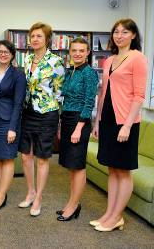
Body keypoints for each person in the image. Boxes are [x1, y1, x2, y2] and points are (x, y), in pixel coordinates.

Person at [91, 18, 147, 231]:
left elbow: (139, 96)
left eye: (125, 32)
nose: (119, 35)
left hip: (126, 121)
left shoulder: (138, 58)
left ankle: (116, 217)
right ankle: (110, 214)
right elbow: (103, 92)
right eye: (116, 32)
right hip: (107, 119)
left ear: (133, 35)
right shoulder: (109, 60)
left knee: (123, 170)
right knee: (112, 168)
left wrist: (127, 126)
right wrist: (97, 121)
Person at [18, 22, 64, 217]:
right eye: (33, 36)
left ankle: (39, 198)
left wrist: (58, 119)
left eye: (39, 36)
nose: (35, 39)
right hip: (27, 112)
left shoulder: (56, 61)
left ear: (47, 39)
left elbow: (60, 92)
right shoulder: (27, 59)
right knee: (25, 156)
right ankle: (31, 191)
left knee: (42, 158)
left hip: (47, 114)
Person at [57, 37, 98, 221]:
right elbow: (64, 97)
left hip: (78, 121)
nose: (78, 54)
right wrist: (61, 124)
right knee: (71, 167)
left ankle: (74, 205)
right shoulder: (71, 70)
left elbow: (89, 103)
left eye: (82, 50)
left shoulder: (89, 73)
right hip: (67, 118)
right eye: (74, 50)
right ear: (70, 52)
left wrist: (78, 128)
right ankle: (72, 203)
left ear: (88, 52)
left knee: (78, 166)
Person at [0, 40, 26, 211]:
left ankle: (1, 195)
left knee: (8, 158)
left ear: (12, 55)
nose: (3, 54)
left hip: (8, 120)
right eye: (0, 51)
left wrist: (12, 128)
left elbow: (18, 103)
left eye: (6, 52)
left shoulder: (18, 74)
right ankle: (0, 191)